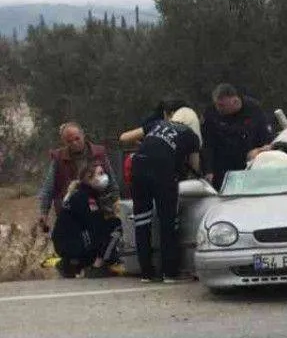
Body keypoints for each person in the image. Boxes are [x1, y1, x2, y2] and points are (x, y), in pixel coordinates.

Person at [131, 107, 202, 284]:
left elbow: (129, 137)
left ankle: (146, 272)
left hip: (138, 166)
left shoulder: (157, 124)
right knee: (168, 221)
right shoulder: (191, 135)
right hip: (163, 171)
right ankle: (169, 272)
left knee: (141, 221)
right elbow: (195, 166)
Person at [36, 122, 119, 235]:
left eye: (77, 139)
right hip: (71, 213)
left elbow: (112, 182)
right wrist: (44, 212)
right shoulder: (58, 158)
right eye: (69, 141)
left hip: (100, 209)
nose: (74, 143)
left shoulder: (99, 153)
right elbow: (48, 188)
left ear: (83, 135)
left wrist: (116, 204)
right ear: (64, 142)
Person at [50, 163, 123, 279]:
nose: (104, 177)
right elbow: (96, 226)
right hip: (71, 243)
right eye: (100, 174)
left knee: (104, 227)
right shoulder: (85, 198)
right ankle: (97, 266)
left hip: (65, 242)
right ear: (89, 178)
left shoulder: (82, 194)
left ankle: (71, 264)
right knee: (114, 225)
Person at [201, 84, 273, 190]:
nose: (218, 108)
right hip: (222, 167)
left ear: (234, 101)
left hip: (249, 165)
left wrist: (261, 150)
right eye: (216, 104)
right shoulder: (211, 113)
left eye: (221, 105)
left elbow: (266, 137)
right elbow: (208, 144)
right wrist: (208, 170)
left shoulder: (253, 110)